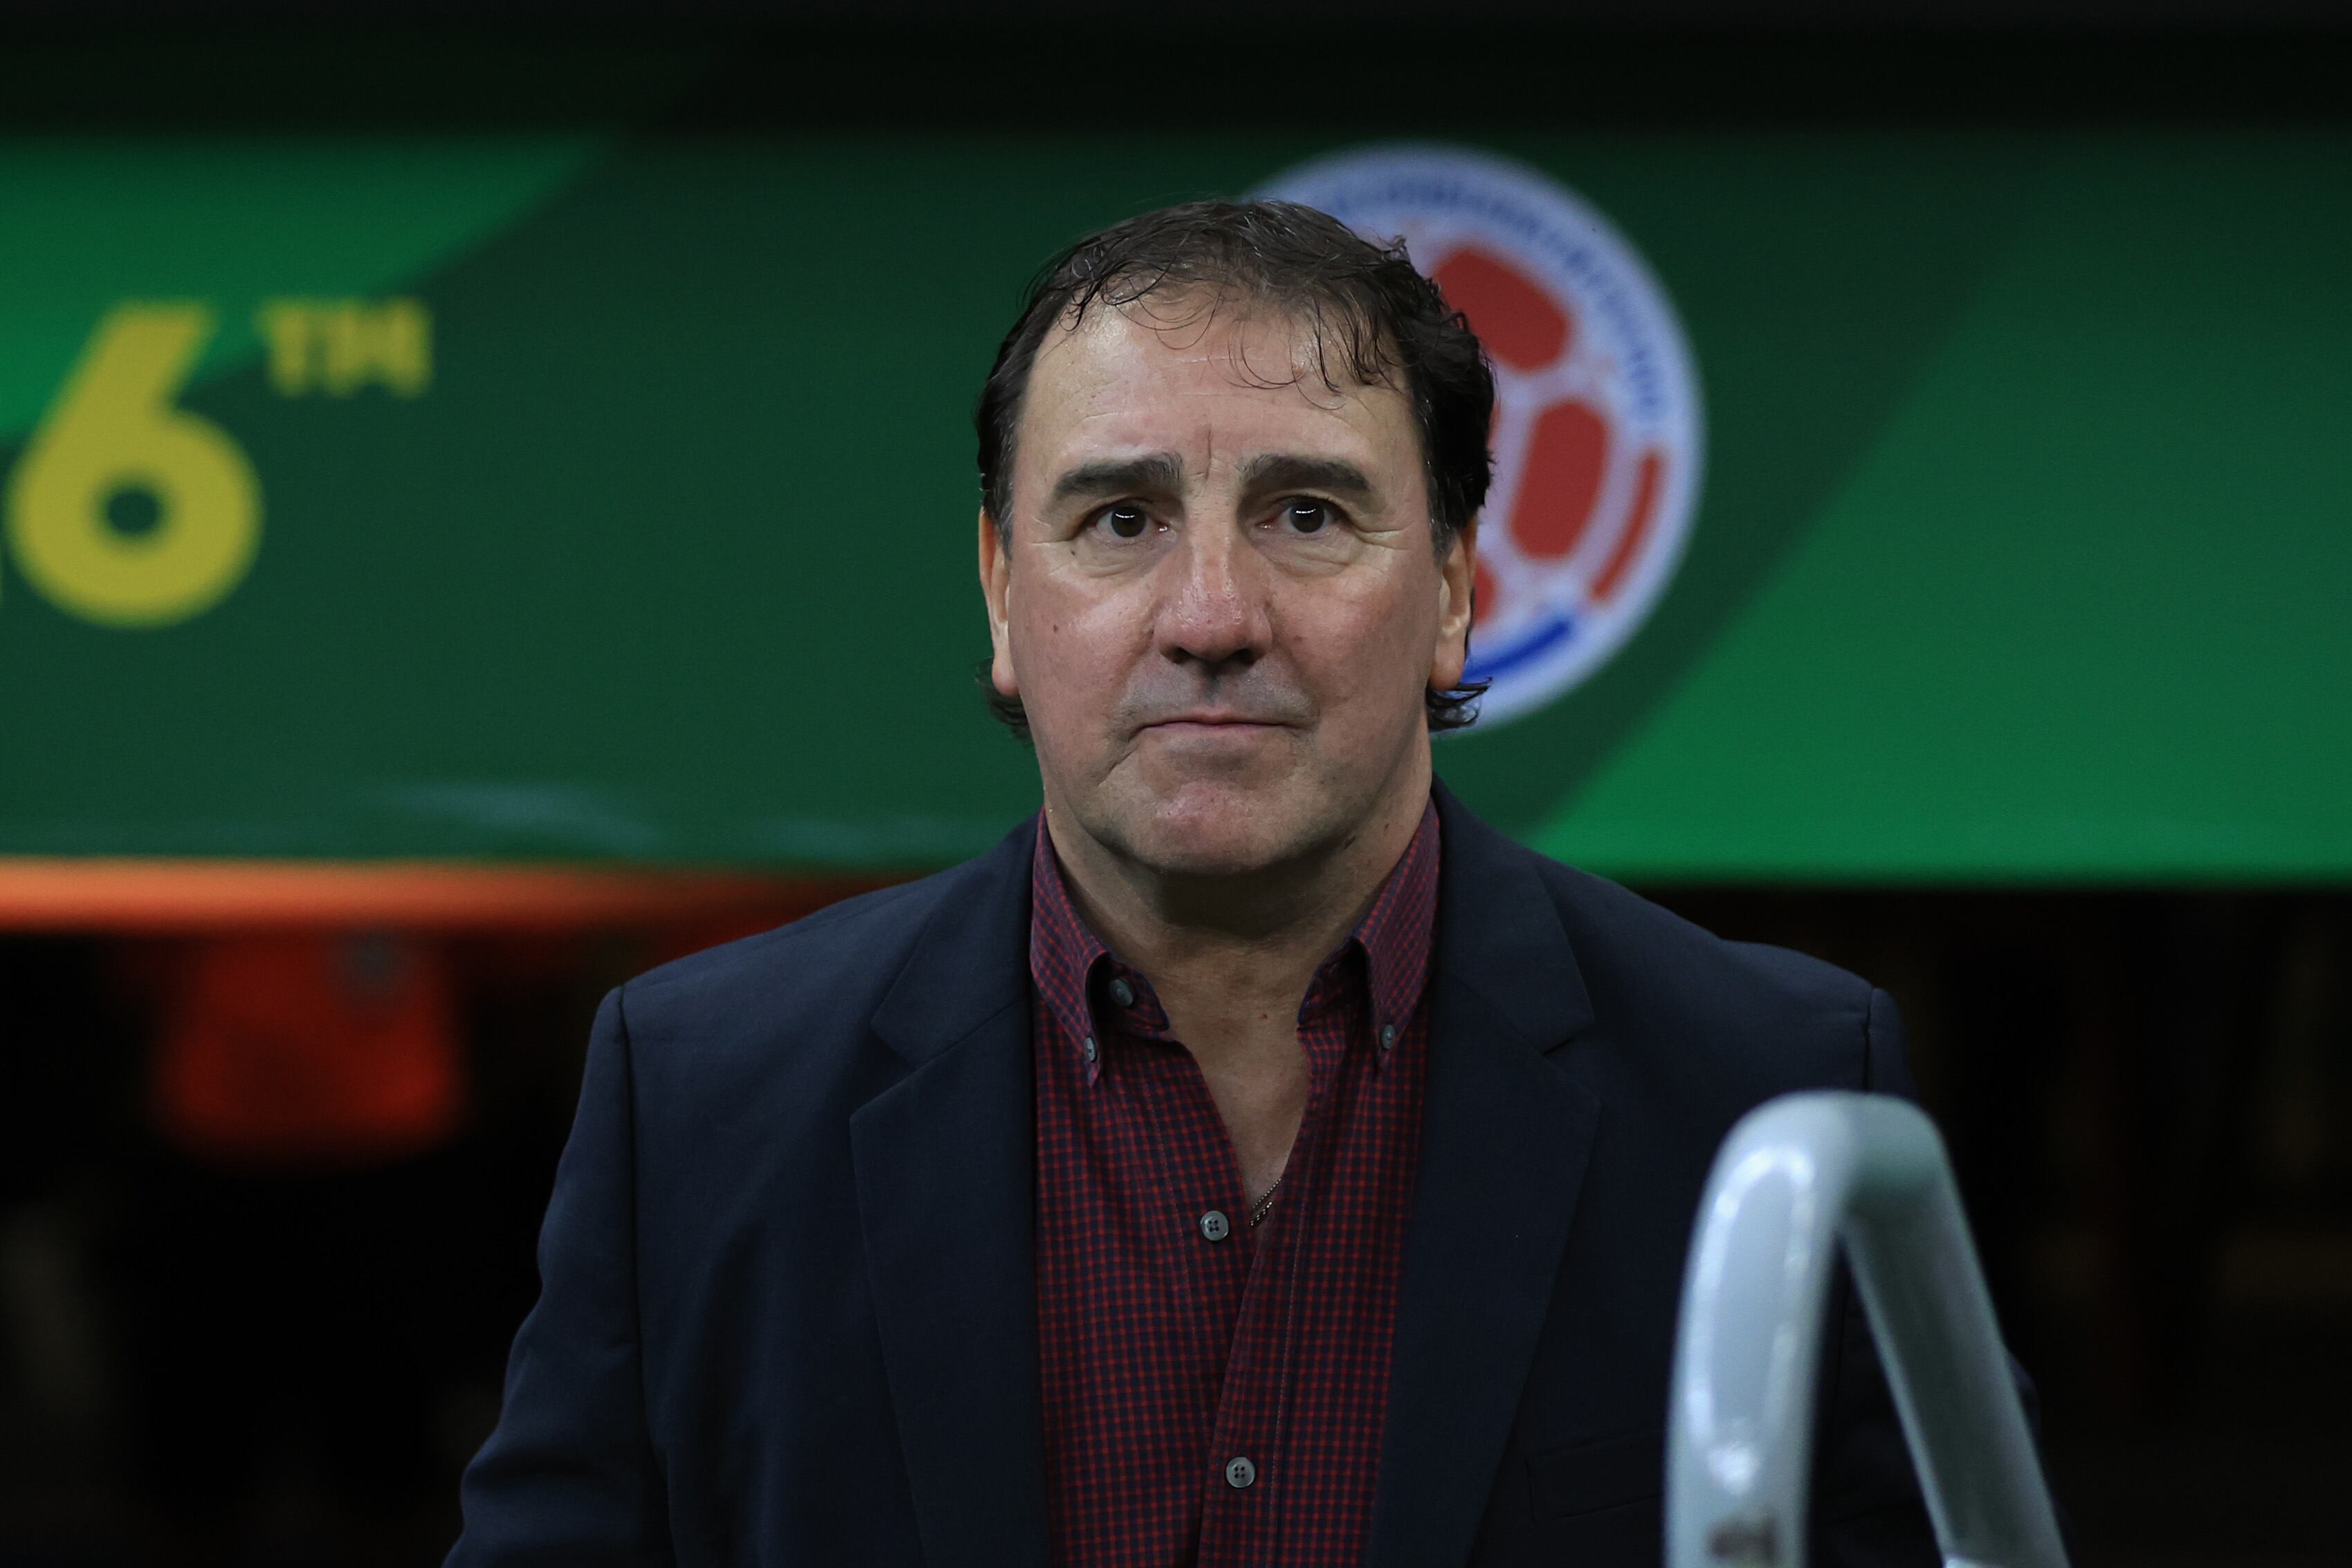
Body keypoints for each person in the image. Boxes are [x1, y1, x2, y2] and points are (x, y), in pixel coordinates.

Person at [450, 201, 2016, 1567]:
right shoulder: (700, 1102)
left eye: (1307, 514)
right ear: (1001, 591)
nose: (1210, 615)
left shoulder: (1771, 1093)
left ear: (1453, 588)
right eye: (1120, 519)